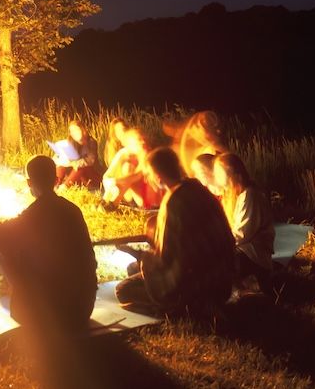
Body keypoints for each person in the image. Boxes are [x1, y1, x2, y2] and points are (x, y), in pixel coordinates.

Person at [0, 155, 97, 333]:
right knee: (17, 246)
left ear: (29, 183)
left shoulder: (31, 217)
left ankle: (11, 288)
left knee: (0, 246)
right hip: (83, 308)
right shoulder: (73, 211)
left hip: (47, 316)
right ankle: (6, 282)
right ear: (56, 180)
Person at [115, 147, 235, 316]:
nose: (147, 179)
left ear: (157, 176)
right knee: (133, 269)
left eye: (148, 174)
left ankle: (176, 309)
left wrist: (137, 253)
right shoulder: (199, 189)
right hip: (223, 278)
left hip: (198, 284)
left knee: (123, 289)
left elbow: (168, 261)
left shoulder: (173, 202)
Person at [215, 152, 276, 296]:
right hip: (246, 250)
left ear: (235, 175)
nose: (221, 183)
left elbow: (241, 234)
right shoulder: (239, 195)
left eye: (222, 176)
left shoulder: (250, 195)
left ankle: (247, 288)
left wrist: (218, 244)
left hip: (254, 255)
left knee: (218, 262)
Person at [102, 127, 162, 209]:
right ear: (129, 145)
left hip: (151, 200)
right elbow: (107, 177)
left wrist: (115, 182)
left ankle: (111, 204)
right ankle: (108, 204)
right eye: (139, 140)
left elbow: (137, 176)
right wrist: (113, 185)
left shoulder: (147, 154)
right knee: (127, 167)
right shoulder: (124, 153)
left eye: (144, 139)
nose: (143, 142)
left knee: (128, 169)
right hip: (131, 196)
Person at [164, 110, 227, 179]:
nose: (194, 131)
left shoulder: (216, 152)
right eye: (196, 126)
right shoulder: (184, 148)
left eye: (198, 127)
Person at [53, 119, 100, 189]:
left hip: (88, 175)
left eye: (76, 130)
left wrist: (74, 163)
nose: (74, 132)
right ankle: (55, 185)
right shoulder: (70, 142)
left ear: (82, 129)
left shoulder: (91, 142)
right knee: (60, 165)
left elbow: (90, 161)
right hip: (75, 175)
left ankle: (64, 187)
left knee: (80, 167)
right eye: (72, 131)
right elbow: (58, 158)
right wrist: (60, 160)